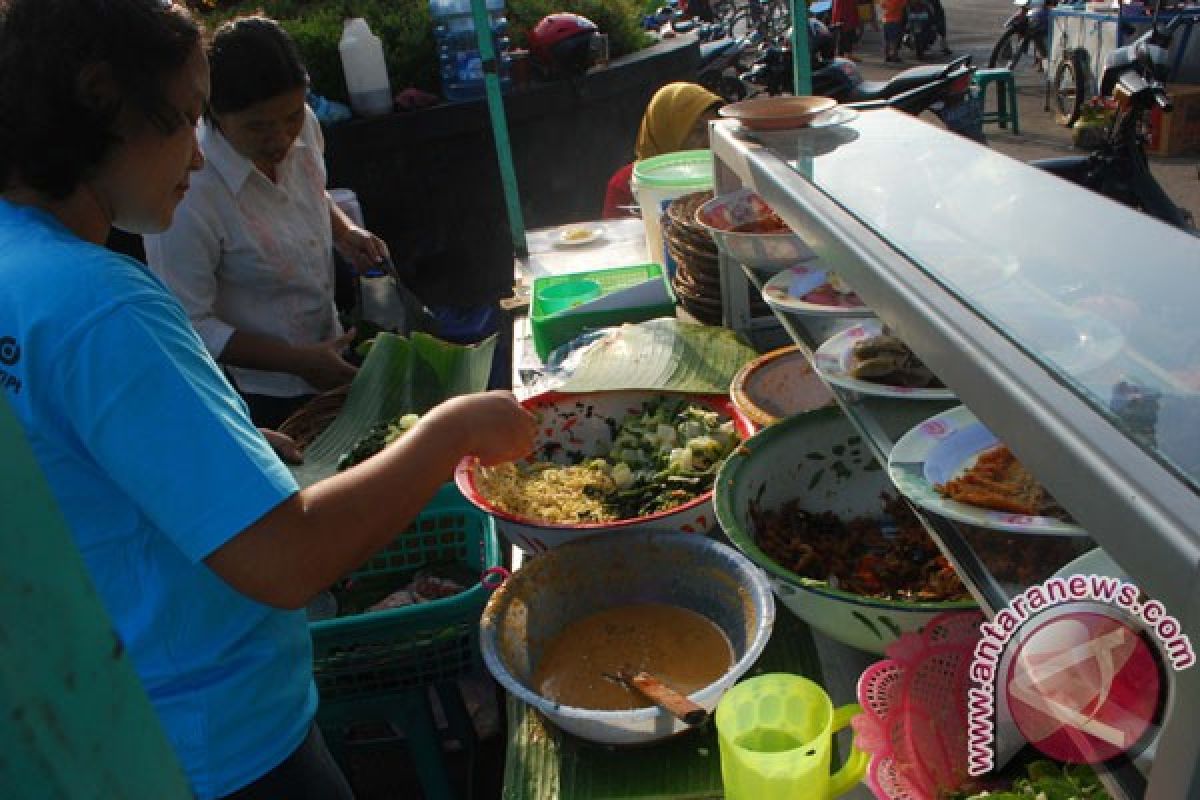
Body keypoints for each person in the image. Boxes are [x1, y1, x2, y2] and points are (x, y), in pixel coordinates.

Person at [0, 2, 536, 799]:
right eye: (186, 119)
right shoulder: (101, 303)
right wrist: (445, 430)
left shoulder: (19, 266)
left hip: (111, 727)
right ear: (103, 101)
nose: (196, 151)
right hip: (221, 743)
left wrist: (236, 450)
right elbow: (287, 561)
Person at [144, 16, 392, 430]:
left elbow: (311, 195)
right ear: (215, 114)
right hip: (263, 398)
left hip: (330, 349)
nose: (280, 138)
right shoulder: (190, 194)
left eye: (291, 116)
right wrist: (296, 362)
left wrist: (345, 232)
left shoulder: (307, 127)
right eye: (257, 126)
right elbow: (190, 325)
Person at [602, 82, 723, 219]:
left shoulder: (727, 175)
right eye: (698, 131)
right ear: (664, 131)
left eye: (714, 129)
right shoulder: (625, 186)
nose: (710, 140)